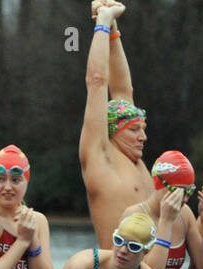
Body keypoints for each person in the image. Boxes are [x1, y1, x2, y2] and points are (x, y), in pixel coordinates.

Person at [79, 1, 151, 249]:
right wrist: (101, 23)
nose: (143, 137)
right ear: (112, 132)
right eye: (134, 130)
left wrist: (112, 27)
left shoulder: (134, 162)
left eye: (143, 128)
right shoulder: (101, 157)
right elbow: (97, 82)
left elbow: (122, 89)